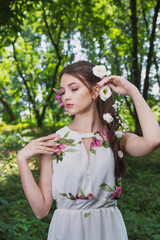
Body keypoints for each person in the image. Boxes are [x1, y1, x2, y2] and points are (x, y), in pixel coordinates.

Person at [17, 61, 160, 240]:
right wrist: (21, 159)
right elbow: (41, 210)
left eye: (74, 89)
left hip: (109, 231)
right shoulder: (53, 143)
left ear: (95, 91)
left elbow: (154, 140)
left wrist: (132, 90)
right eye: (62, 92)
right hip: (67, 232)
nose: (66, 97)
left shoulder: (116, 138)